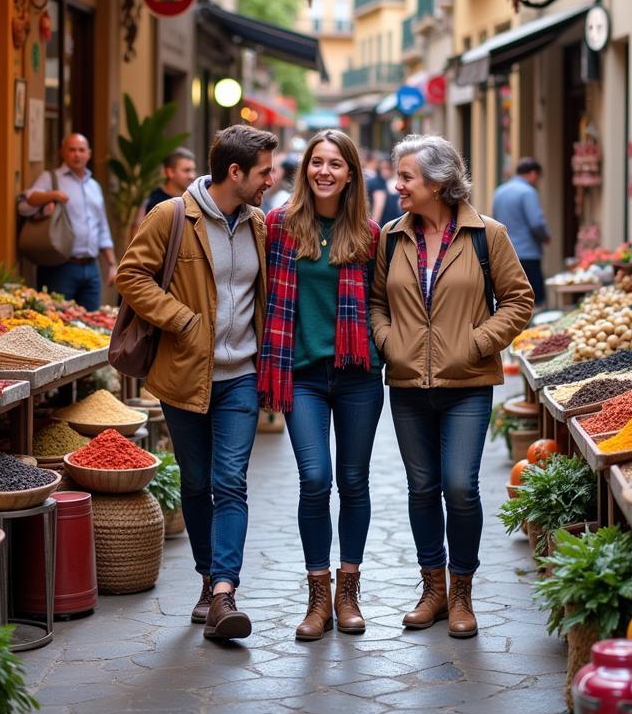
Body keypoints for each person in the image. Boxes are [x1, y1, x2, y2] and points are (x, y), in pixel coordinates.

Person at [115, 124, 278, 641]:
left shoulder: (258, 224)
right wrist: (182, 319)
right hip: (184, 374)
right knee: (197, 481)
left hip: (241, 376)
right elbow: (131, 275)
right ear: (235, 172)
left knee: (231, 481)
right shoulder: (171, 216)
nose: (271, 181)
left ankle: (225, 590)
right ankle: (208, 581)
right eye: (264, 172)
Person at [371, 135, 533, 638]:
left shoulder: (488, 235)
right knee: (423, 488)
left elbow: (519, 300)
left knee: (461, 488)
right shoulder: (391, 238)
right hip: (407, 384)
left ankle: (462, 592)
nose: (396, 185)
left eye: (406, 177)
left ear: (437, 183)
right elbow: (377, 302)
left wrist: (477, 343)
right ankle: (433, 589)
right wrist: (388, 341)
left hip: (466, 382)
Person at [258, 130, 384, 641]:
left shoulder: (371, 235)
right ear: (305, 169)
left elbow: (383, 302)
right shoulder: (278, 226)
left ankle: (348, 592)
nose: (324, 171)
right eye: (317, 162)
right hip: (302, 375)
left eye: (335, 163)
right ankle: (317, 597)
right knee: (315, 479)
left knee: (353, 482)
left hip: (358, 377)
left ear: (351, 173)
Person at [19, 133, 117, 311]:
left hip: (92, 268)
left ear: (89, 153)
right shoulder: (51, 178)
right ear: (62, 153)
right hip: (61, 266)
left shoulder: (94, 186)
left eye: (81, 150)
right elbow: (24, 206)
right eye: (72, 150)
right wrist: (53, 195)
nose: (77, 154)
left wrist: (111, 264)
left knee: (91, 325)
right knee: (58, 322)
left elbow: (102, 227)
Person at [491, 157, 550, 308]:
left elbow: (494, 221)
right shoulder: (528, 192)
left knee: (512, 298)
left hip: (506, 253)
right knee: (535, 300)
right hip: (528, 253)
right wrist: (545, 237)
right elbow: (536, 223)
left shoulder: (499, 192)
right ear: (532, 174)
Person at [145, 148, 198, 214]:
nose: (192, 176)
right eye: (186, 170)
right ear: (170, 172)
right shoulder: (156, 204)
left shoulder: (196, 198)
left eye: (193, 170)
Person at [378, 156, 402, 227]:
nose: (384, 171)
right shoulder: (380, 182)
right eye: (382, 168)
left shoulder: (395, 183)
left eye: (387, 168)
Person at [365, 152, 389, 224]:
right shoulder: (378, 182)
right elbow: (378, 207)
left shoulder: (380, 181)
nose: (386, 171)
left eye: (388, 168)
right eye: (383, 168)